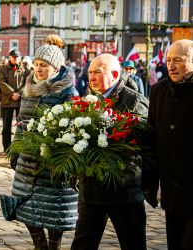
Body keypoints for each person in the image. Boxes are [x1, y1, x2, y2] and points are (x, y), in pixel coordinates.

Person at [0, 34, 79, 250]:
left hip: (53, 162)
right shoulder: (29, 89)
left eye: (43, 65)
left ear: (55, 67)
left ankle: (54, 244)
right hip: (27, 160)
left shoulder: (67, 92)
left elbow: (74, 128)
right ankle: (39, 244)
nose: (38, 69)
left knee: (54, 209)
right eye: (36, 64)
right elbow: (21, 123)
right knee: (25, 206)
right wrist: (15, 152)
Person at [71, 53, 149, 250]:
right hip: (91, 189)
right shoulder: (89, 99)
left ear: (114, 74)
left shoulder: (134, 102)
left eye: (97, 72)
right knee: (82, 244)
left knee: (133, 243)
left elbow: (146, 144)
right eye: (89, 72)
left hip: (123, 190)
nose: (92, 77)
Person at [147, 39, 193, 250]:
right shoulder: (158, 91)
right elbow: (151, 138)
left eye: (178, 60)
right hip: (170, 189)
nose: (171, 65)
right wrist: (150, 181)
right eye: (168, 60)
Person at [0, 49, 28, 152]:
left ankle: (18, 148)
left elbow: (27, 83)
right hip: (7, 101)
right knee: (6, 127)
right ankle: (6, 148)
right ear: (10, 57)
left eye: (17, 57)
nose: (15, 59)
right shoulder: (3, 68)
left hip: (20, 101)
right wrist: (12, 93)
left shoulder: (25, 69)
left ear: (20, 58)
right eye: (13, 57)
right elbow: (2, 83)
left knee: (21, 126)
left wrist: (19, 93)